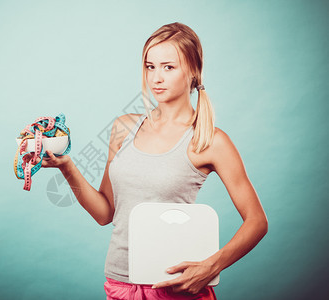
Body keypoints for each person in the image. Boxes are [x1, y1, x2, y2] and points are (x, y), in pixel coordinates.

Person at [35, 22, 268, 300]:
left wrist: (210, 266)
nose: (156, 77)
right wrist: (67, 168)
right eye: (150, 66)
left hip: (177, 288)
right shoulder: (123, 127)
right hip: (119, 285)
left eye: (169, 67)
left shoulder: (210, 140)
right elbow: (104, 214)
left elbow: (257, 221)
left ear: (192, 70)